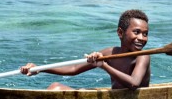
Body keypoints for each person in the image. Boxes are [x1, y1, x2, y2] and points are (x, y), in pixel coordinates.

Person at [20, 9, 151, 90]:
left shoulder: (143, 56)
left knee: (56, 88)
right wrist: (40, 69)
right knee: (55, 86)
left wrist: (103, 66)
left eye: (145, 34)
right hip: (116, 97)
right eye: (137, 32)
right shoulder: (110, 53)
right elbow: (73, 69)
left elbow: (134, 84)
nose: (141, 38)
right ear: (120, 33)